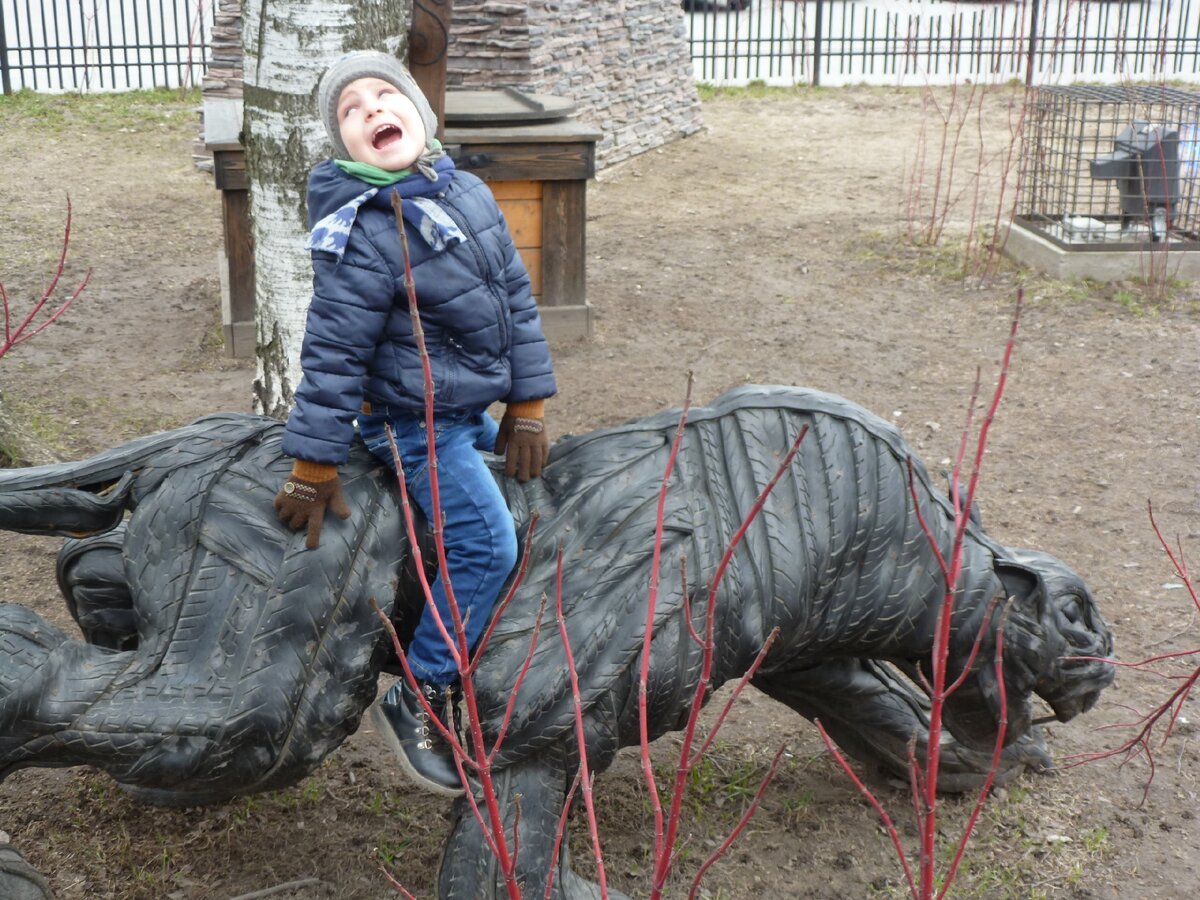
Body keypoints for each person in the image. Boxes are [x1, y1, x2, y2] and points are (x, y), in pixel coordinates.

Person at [272, 50, 557, 796]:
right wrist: (314, 459)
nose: (370, 110)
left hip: (470, 408)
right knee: (485, 542)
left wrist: (526, 409)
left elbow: (516, 302)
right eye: (350, 111)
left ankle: (508, 656)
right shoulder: (357, 230)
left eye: (383, 94)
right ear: (345, 146)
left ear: (417, 113)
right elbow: (332, 350)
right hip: (413, 424)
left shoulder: (465, 190)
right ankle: (421, 689)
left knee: (560, 489)